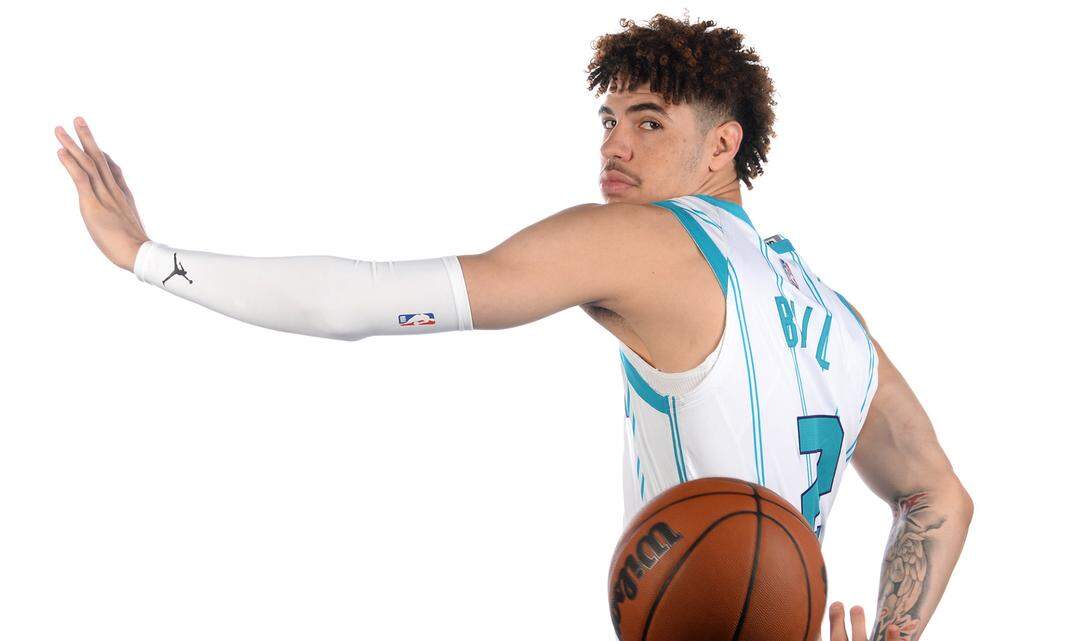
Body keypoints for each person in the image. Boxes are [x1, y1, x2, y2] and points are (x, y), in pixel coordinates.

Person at [55, 13, 970, 641]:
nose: (614, 145)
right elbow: (937, 497)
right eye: (609, 118)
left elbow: (357, 299)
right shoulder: (835, 317)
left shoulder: (647, 240)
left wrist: (147, 258)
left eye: (649, 122)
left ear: (722, 144)